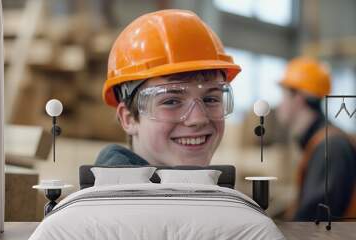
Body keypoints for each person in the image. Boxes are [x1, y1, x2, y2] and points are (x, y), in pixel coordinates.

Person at [95, 9, 241, 166]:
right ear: (128, 118)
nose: (198, 119)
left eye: (211, 99)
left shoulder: (206, 188)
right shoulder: (110, 191)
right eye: (171, 101)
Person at [277, 57, 356, 221]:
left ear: (298, 98)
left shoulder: (330, 147)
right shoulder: (319, 142)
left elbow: (313, 221)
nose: (279, 104)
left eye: (283, 95)